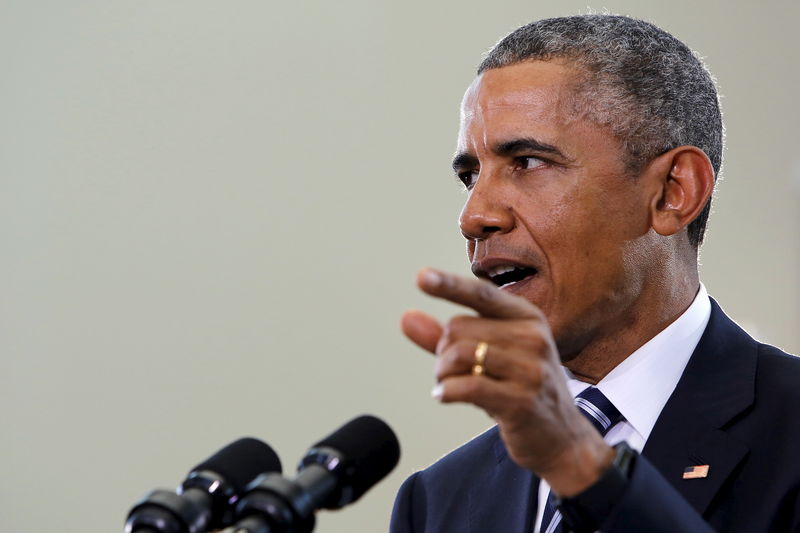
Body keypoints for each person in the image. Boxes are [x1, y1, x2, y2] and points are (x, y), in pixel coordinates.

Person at [390, 14, 800, 533]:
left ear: (674, 191)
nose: (475, 216)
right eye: (470, 175)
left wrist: (583, 469)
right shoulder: (439, 501)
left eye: (528, 162)